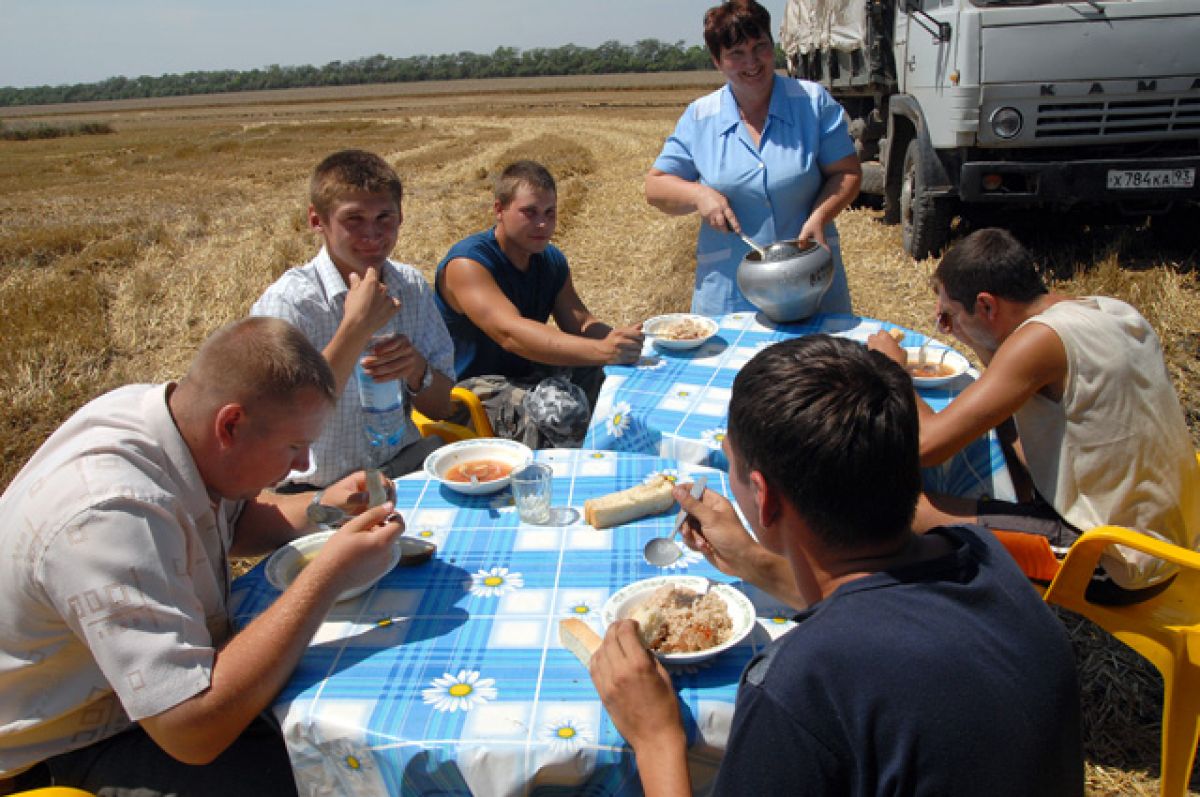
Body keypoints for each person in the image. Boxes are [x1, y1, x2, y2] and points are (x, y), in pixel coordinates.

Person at [589, 335, 1084, 796]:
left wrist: (655, 739)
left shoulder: (800, 688)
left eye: (732, 466)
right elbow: (884, 617)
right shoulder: (980, 557)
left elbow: (854, 650)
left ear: (763, 497)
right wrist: (758, 563)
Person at [0, 317, 405, 796]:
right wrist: (329, 575)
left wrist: (320, 510)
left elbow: (226, 525)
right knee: (331, 774)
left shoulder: (171, 422)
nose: (302, 466)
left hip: (151, 701)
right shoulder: (109, 517)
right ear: (230, 424)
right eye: (295, 447)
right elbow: (193, 731)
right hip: (71, 741)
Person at [867, 227, 1200, 602]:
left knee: (906, 511)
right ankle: (1018, 521)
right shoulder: (1107, 309)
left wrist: (890, 368)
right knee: (1002, 424)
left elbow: (927, 445)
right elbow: (1004, 387)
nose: (946, 325)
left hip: (1120, 561)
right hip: (1176, 537)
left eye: (950, 315)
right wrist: (973, 331)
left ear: (987, 305)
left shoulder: (1040, 341)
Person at [645, 0, 862, 318]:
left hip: (809, 279)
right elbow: (655, 186)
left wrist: (820, 217)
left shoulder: (811, 103)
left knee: (818, 366)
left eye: (760, 47)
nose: (752, 62)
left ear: (773, 46)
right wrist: (699, 194)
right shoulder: (700, 117)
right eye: (736, 54)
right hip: (730, 293)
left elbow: (847, 173)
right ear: (717, 61)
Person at [252, 149, 455, 488]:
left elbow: (442, 406)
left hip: (399, 468)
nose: (372, 234)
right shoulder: (292, 303)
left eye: (384, 218)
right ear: (318, 221)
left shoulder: (411, 287)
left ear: (401, 216)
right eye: (354, 220)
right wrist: (355, 328)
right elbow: (278, 421)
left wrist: (415, 369)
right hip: (317, 490)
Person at [434, 160, 644, 447]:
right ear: (499, 210)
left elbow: (580, 322)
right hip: (472, 388)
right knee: (562, 412)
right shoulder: (468, 263)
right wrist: (602, 350)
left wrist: (628, 342)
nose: (542, 224)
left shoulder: (550, 260)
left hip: (530, 372)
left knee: (619, 380)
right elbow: (510, 333)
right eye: (529, 213)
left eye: (550, 213)